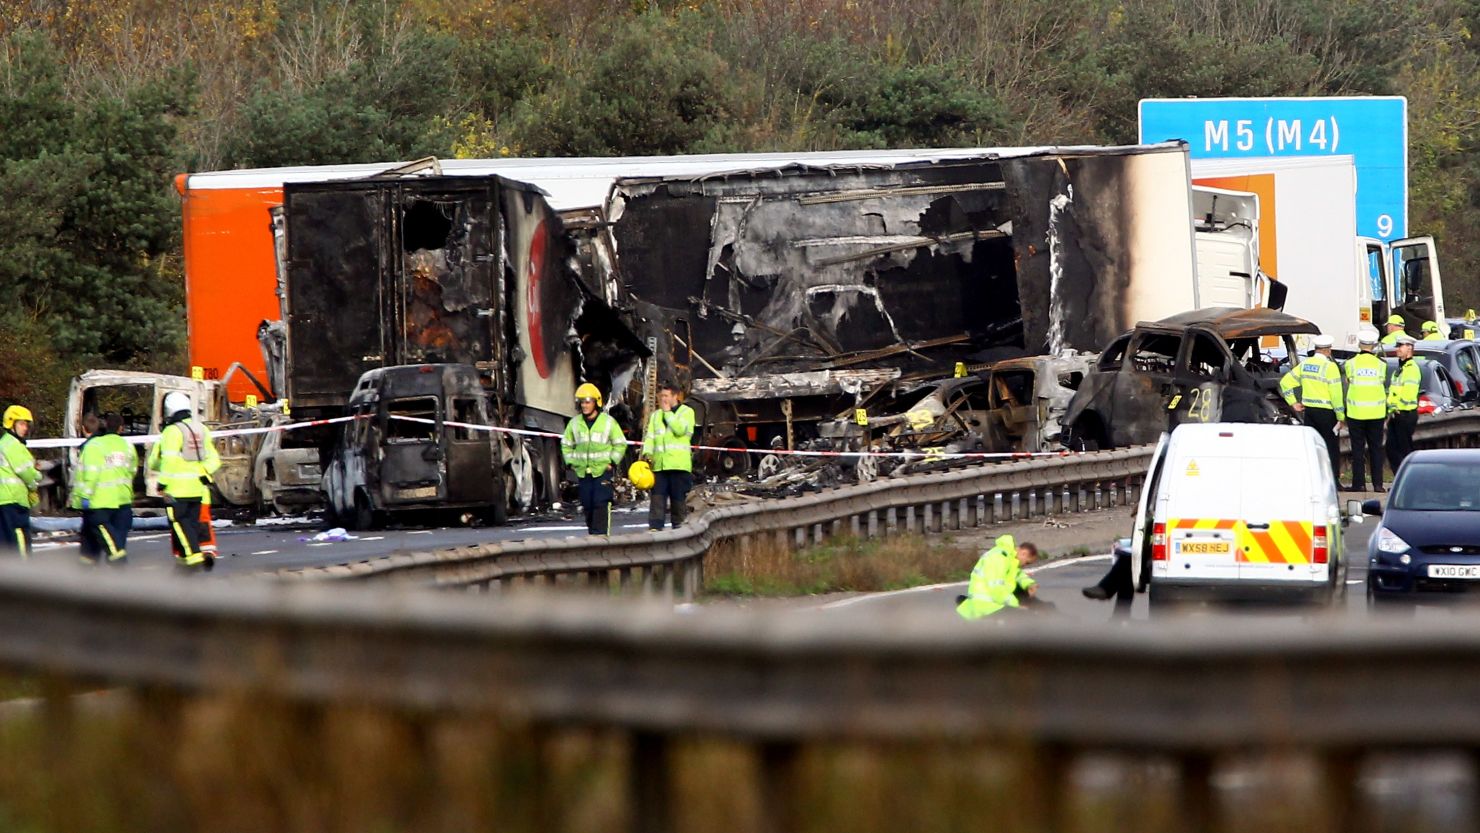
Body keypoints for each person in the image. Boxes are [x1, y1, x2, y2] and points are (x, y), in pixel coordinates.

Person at [146, 392, 220, 569]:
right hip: (197, 488)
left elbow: (165, 462)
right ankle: (185, 561)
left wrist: (162, 483)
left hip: (175, 489)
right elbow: (215, 460)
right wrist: (203, 472)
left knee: (179, 523)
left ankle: (192, 557)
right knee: (192, 524)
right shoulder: (202, 429)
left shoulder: (171, 432)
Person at [70, 412, 137, 565]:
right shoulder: (128, 446)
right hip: (122, 501)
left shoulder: (95, 445)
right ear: (121, 428)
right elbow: (132, 471)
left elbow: (90, 475)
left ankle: (90, 572)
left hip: (98, 502)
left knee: (97, 542)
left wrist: (84, 497)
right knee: (116, 541)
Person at [561, 382, 626, 535]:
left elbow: (620, 444)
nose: (584, 405)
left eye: (587, 402)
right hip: (584, 473)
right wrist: (571, 462)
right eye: (582, 402)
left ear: (596, 403)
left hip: (602, 471)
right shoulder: (574, 424)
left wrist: (611, 462)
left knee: (601, 503)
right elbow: (566, 445)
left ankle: (601, 537)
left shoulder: (608, 423)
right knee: (588, 505)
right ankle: (593, 535)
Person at [1279, 334, 1344, 484]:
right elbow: (1336, 394)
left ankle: (1313, 479)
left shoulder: (1305, 364)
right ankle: (1333, 481)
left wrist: (1293, 403)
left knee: (1312, 446)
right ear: (1328, 350)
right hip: (1327, 413)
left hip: (1309, 412)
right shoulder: (1330, 367)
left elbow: (1285, 383)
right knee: (1330, 448)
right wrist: (1340, 416)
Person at [641, 382, 696, 531]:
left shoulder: (687, 412)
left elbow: (679, 430)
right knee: (657, 498)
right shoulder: (656, 416)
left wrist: (667, 413)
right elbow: (650, 437)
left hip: (678, 465)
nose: (662, 399)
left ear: (675, 396)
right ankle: (655, 527)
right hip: (660, 465)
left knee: (678, 499)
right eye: (661, 396)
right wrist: (647, 454)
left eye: (666, 396)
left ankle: (680, 528)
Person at [1344, 329, 1388, 492]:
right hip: (1376, 413)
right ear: (1374, 345)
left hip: (1356, 413)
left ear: (1359, 345)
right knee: (1376, 449)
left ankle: (1359, 484)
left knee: (1357, 450)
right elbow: (1382, 383)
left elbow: (1348, 381)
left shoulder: (1350, 364)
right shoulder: (1381, 365)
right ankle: (1378, 484)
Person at [956, 535, 1039, 620]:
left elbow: (1016, 573)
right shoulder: (999, 558)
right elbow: (997, 589)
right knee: (1026, 619)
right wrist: (1016, 605)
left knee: (1029, 613)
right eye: (1027, 562)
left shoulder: (1008, 556)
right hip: (987, 606)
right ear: (1023, 553)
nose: (1025, 565)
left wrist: (1029, 584)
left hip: (992, 602)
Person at [0, 405, 41, 557]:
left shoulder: (4, 443)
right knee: (20, 541)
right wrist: (36, 480)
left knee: (6, 544)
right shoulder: (13, 445)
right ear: (11, 423)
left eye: (26, 424)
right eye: (21, 424)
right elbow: (25, 471)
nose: (25, 428)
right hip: (14, 500)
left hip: (5, 500)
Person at [1386, 335, 1421, 476]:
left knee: (1403, 450)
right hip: (1396, 414)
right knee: (1392, 449)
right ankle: (1399, 479)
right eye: (1398, 346)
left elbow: (1408, 394)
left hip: (1405, 414)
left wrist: (1397, 408)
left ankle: (1408, 479)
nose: (1398, 349)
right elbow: (1393, 391)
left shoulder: (1411, 369)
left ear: (1410, 348)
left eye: (1401, 346)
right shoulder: (1399, 369)